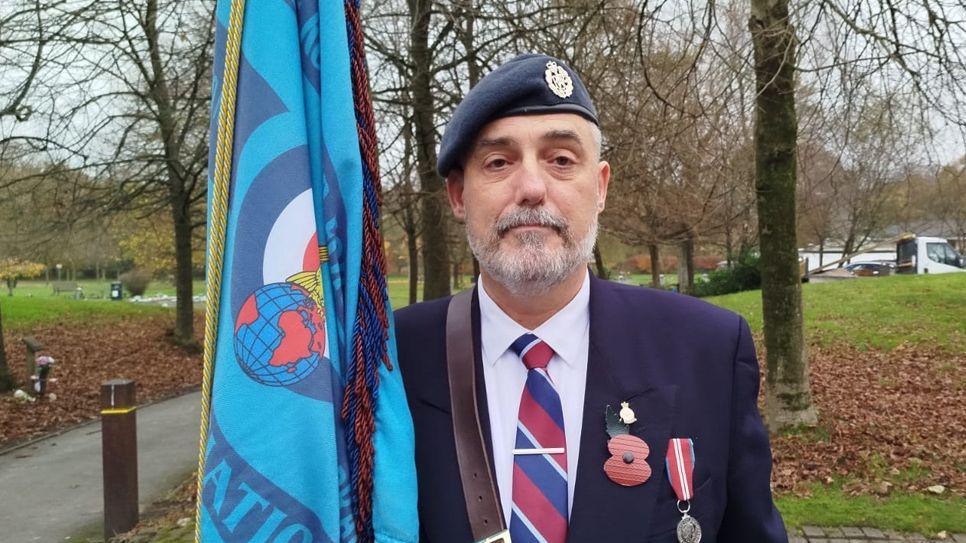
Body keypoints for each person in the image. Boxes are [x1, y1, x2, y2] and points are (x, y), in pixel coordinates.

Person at [394, 53, 787, 543]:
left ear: (599, 187)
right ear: (458, 195)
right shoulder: (389, 360)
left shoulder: (708, 350)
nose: (532, 188)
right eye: (499, 162)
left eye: (561, 160)